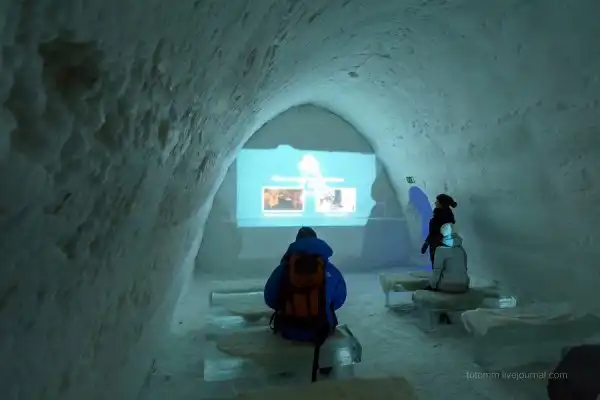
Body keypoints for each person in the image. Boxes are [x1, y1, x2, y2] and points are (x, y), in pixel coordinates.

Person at [265, 227, 347, 343]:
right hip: (322, 329)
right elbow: (340, 299)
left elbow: (270, 298)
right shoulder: (330, 270)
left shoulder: (283, 269)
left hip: (288, 331)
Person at [425, 223, 469, 293]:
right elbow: (465, 269)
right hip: (463, 286)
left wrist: (432, 286)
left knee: (429, 283)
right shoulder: (461, 250)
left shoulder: (440, 250)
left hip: (446, 285)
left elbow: (437, 271)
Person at [420, 193, 457, 264]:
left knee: (438, 266)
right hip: (445, 246)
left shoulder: (439, 217)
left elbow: (434, 233)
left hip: (437, 246)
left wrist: (426, 244)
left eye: (437, 201)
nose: (435, 203)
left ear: (442, 204)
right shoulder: (448, 215)